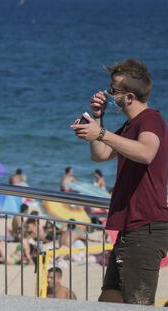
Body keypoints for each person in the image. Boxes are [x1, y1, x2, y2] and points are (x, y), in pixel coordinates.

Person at [71, 59, 168, 305]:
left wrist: (101, 133)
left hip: (145, 228)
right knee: (110, 299)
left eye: (113, 90)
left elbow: (147, 152)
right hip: (130, 228)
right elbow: (100, 155)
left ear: (129, 97)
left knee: (137, 304)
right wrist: (97, 120)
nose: (108, 94)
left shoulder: (150, 120)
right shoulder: (130, 125)